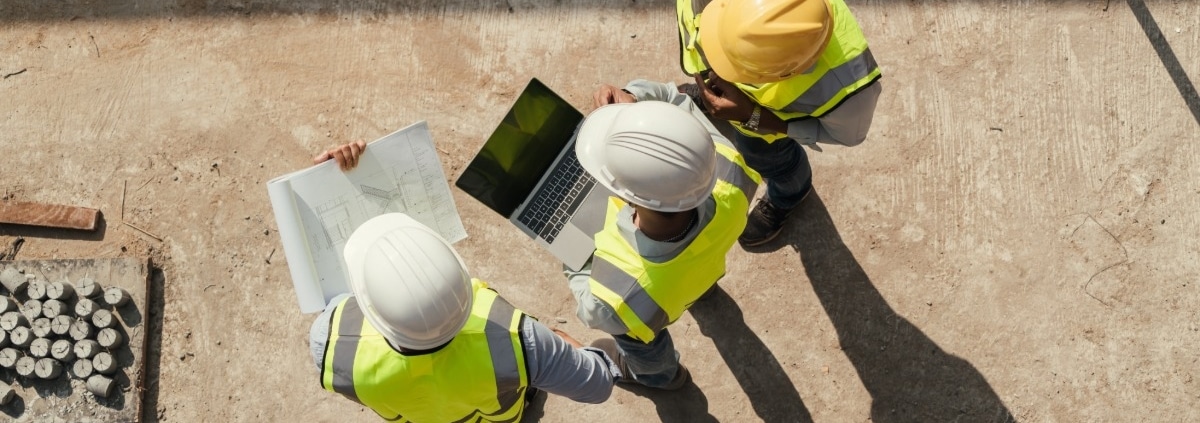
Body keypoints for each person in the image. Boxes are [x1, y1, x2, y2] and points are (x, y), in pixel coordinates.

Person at [308, 144, 621, 422]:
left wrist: (329, 184)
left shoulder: (330, 344)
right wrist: (554, 345)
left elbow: (334, 294)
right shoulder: (522, 341)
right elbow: (598, 384)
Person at [566, 87, 761, 390]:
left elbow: (591, 308)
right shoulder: (731, 172)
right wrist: (635, 105)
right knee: (693, 275)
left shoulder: (615, 299)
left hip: (650, 306)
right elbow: (675, 101)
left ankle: (661, 377)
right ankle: (702, 293)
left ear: (619, 194)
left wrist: (570, 248)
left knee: (641, 343)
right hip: (696, 271)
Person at [674, 0, 883, 246]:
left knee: (769, 159)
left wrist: (751, 116)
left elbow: (849, 135)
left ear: (785, 71)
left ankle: (791, 193)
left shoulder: (849, 90)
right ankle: (712, 90)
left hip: (763, 128)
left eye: (732, 67)